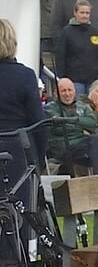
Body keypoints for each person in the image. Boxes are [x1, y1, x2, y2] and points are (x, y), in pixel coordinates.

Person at [0, 21, 47, 205]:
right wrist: (39, 159)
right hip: (18, 151)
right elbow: (38, 123)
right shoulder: (25, 76)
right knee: (22, 213)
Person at [53, 0, 98, 90]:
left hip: (94, 80)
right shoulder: (66, 32)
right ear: (75, 13)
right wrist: (62, 77)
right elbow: (60, 56)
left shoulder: (96, 32)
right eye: (82, 12)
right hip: (74, 80)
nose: (85, 15)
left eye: (87, 13)